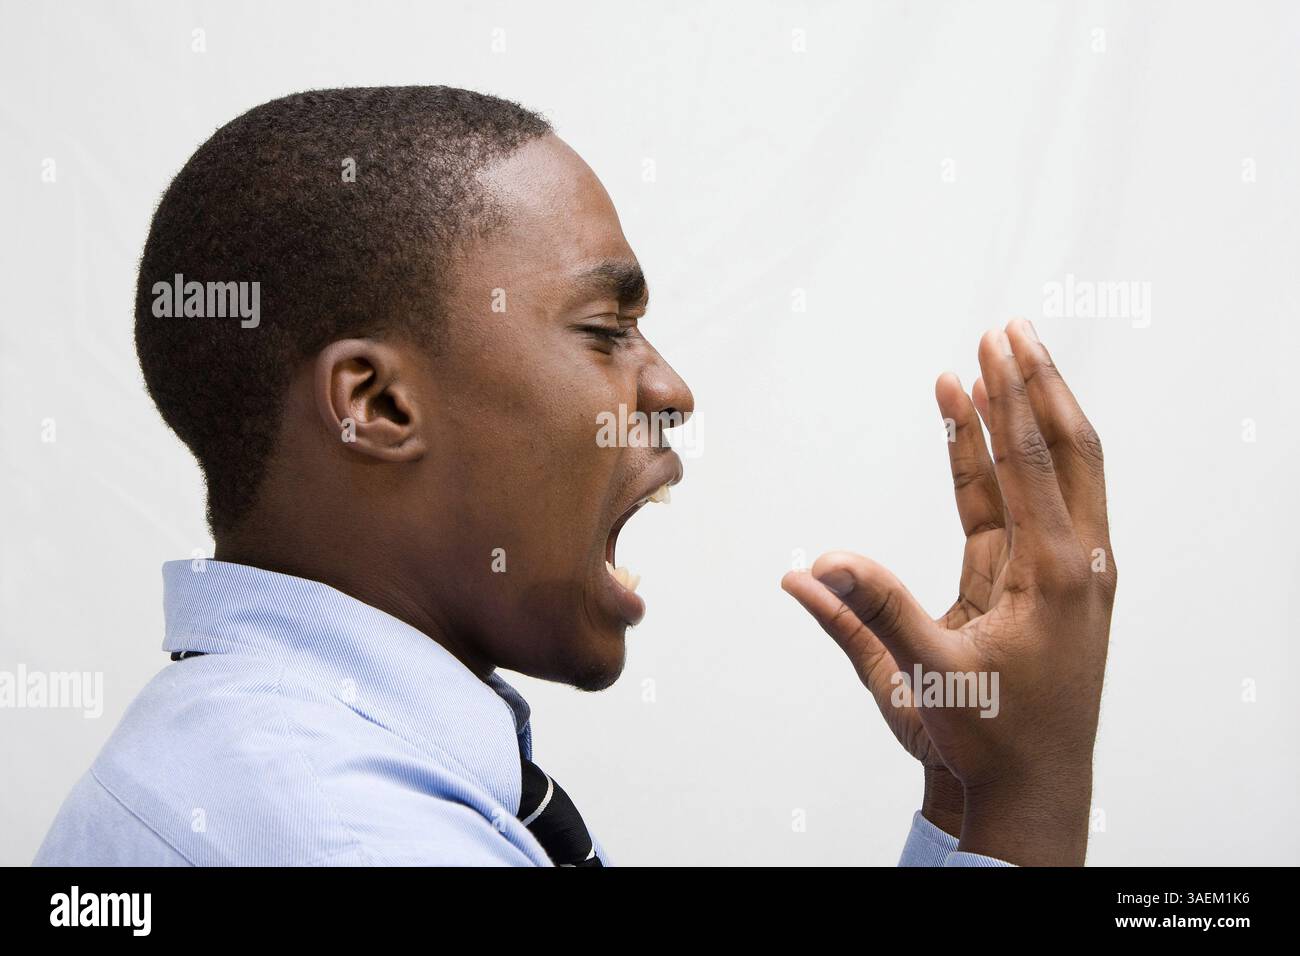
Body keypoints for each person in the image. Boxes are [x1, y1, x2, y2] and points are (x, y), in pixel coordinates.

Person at [34, 87, 1116, 867]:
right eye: (607, 328)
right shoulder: (347, 832)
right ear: (376, 404)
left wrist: (970, 801)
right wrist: (1029, 794)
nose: (672, 385)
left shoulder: (281, 761)